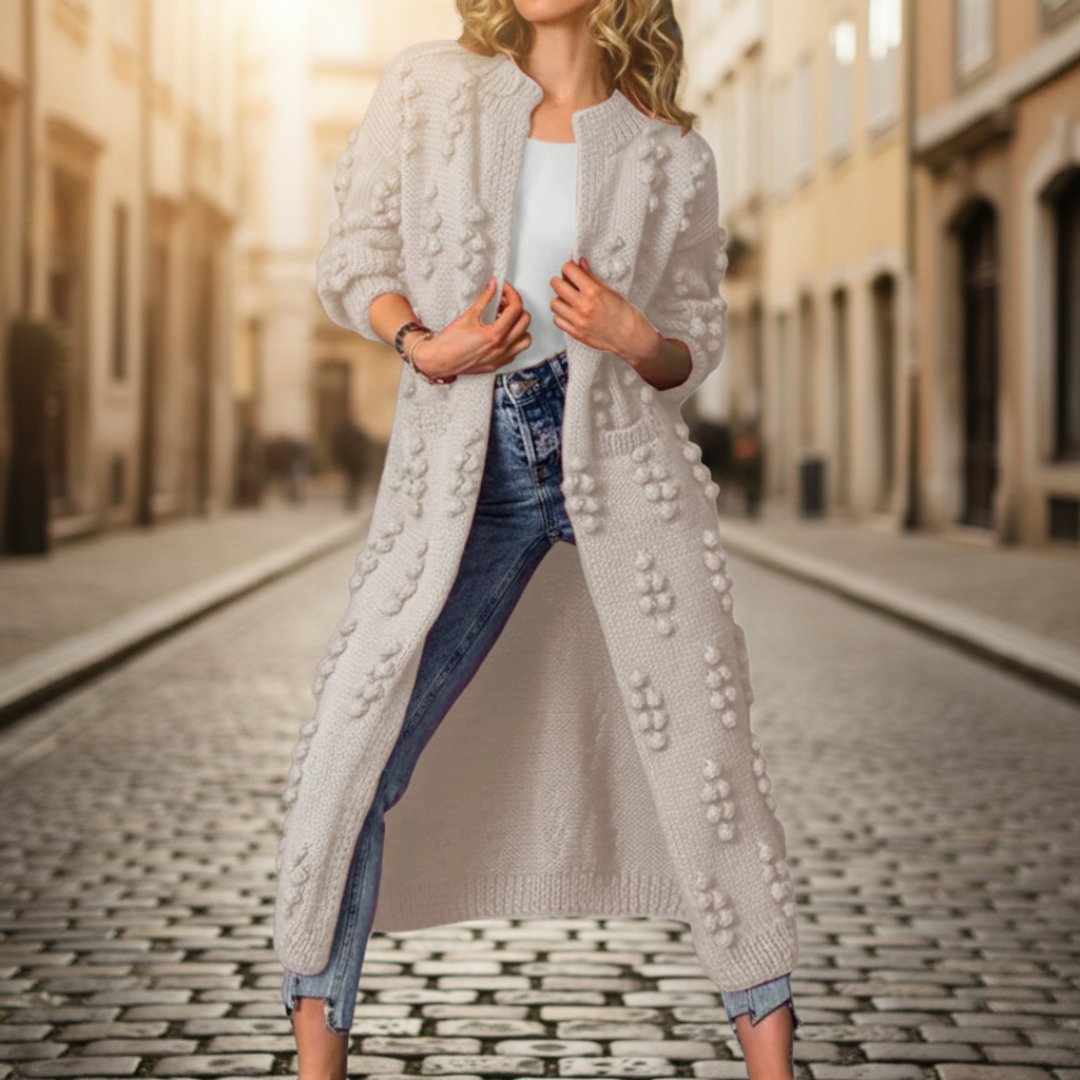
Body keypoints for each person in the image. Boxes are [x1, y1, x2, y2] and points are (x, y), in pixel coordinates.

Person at [274, 3, 800, 1078]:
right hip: (472, 469)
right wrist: (425, 343)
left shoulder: (670, 149)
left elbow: (698, 336)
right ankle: (316, 1068)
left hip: (629, 471)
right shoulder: (429, 89)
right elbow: (354, 256)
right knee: (348, 750)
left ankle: (776, 1067)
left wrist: (636, 337)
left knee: (715, 774)